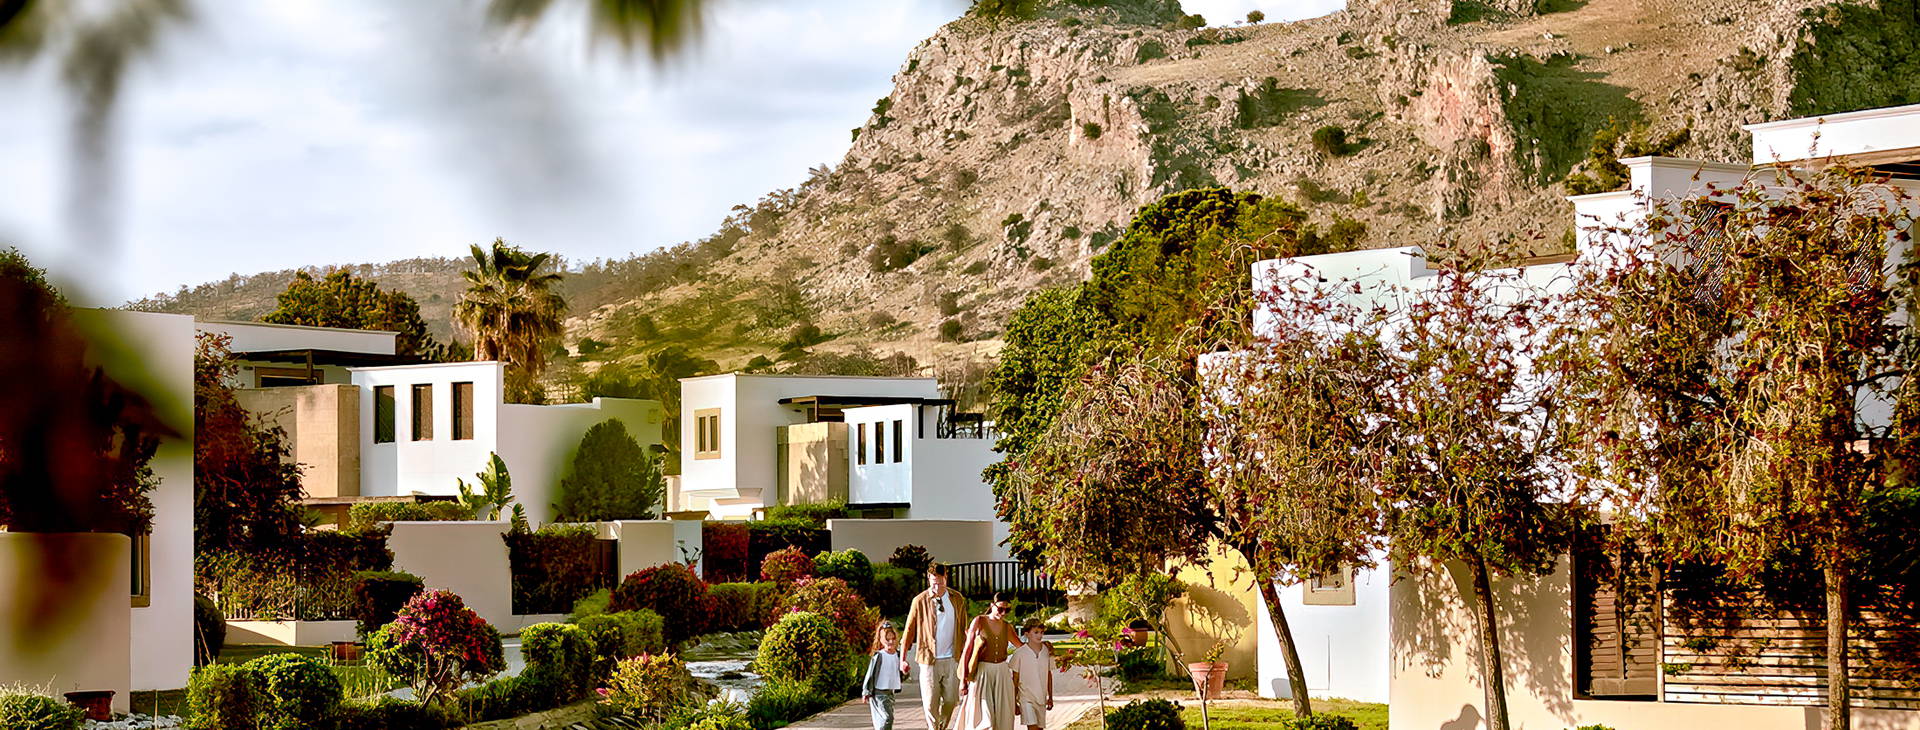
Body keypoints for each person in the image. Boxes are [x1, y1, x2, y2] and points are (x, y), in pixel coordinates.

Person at [902, 563, 970, 730]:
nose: (937, 587)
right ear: (928, 579)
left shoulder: (957, 598)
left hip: (952, 657)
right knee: (930, 703)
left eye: (940, 582)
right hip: (929, 659)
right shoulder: (920, 600)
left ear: (945, 578)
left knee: (951, 700)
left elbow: (964, 628)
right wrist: (902, 659)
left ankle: (942, 727)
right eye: (933, 583)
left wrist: (968, 655)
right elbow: (909, 630)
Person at [958, 593, 1022, 730]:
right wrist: (963, 679)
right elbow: (968, 649)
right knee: (983, 714)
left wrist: (1041, 648)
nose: (1003, 613)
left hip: (1002, 672)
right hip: (983, 672)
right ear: (992, 605)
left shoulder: (1007, 627)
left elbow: (1021, 647)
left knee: (1003, 712)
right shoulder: (979, 621)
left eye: (1007, 610)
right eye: (1000, 609)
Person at [863, 621, 912, 730]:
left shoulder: (898, 655)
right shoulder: (879, 656)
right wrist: (866, 691)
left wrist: (905, 670)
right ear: (881, 640)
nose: (891, 642)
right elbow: (870, 674)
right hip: (878, 692)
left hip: (890, 692)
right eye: (887, 639)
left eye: (893, 639)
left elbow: (902, 674)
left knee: (884, 719)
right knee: (887, 718)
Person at [1008, 621, 1054, 730]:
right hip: (1026, 698)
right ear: (1027, 634)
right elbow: (1015, 679)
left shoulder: (1047, 651)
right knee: (1032, 727)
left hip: (1041, 698)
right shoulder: (1019, 653)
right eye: (1036, 632)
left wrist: (1050, 697)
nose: (1040, 635)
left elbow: (1049, 675)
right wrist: (1014, 702)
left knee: (1039, 728)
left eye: (1041, 632)